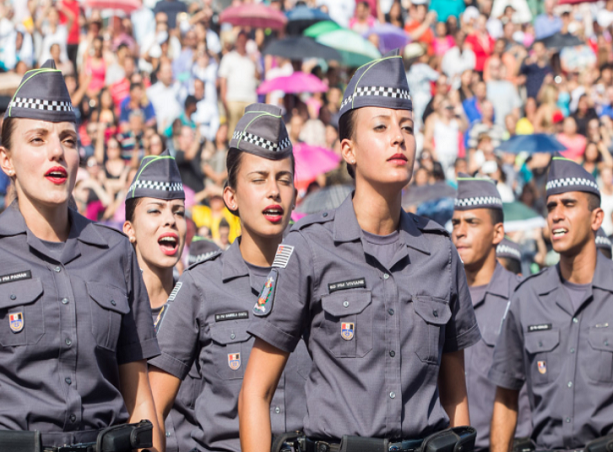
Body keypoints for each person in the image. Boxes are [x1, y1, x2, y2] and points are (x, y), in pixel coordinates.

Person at [0, 61, 163, 451]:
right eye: (37, 139)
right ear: (6, 160)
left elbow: (141, 400)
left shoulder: (115, 252)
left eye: (67, 139)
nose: (56, 152)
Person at [239, 51, 480, 452]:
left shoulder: (439, 251)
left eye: (407, 126)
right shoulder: (308, 246)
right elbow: (255, 392)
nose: (398, 138)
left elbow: (455, 397)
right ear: (348, 150)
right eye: (381, 127)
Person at [148, 103, 311, 452]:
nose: (273, 191)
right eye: (259, 179)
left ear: (295, 195)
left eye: (284, 179)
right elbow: (151, 412)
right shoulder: (199, 287)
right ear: (231, 197)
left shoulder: (319, 279)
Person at [490, 157, 612, 452]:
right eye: (551, 207)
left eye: (568, 205)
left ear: (596, 218)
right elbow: (506, 397)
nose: (556, 215)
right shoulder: (527, 297)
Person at [450, 176, 531, 452]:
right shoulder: (441, 298)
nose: (460, 232)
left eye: (472, 223)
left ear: (498, 233)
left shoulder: (522, 298)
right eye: (456, 223)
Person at [122, 154, 196, 452]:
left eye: (178, 212)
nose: (170, 220)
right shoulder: (115, 314)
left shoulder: (199, 306)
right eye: (155, 210)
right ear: (129, 229)